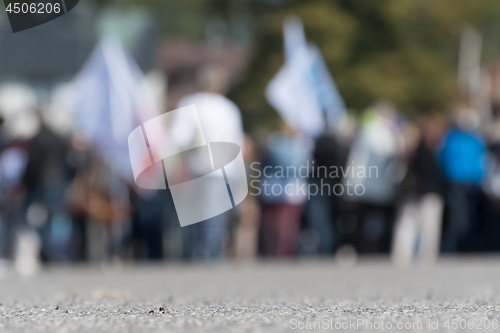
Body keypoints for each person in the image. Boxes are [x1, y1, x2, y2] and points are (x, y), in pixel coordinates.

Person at [174, 64, 244, 260]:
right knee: (216, 214)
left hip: (198, 166)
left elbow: (178, 138)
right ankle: (212, 254)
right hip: (226, 168)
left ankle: (197, 255)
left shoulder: (190, 104)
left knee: (194, 213)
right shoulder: (230, 109)